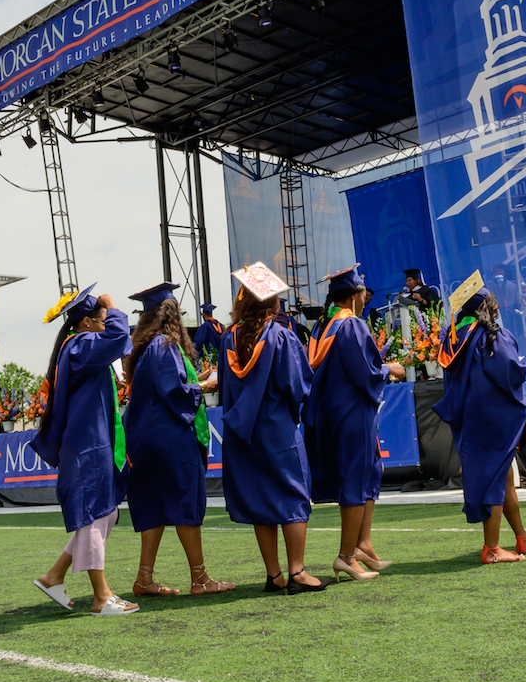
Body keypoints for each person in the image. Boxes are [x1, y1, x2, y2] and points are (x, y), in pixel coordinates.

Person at [30, 285, 138, 615]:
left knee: (104, 513)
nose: (107, 323)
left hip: (91, 442)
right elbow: (119, 338)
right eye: (102, 319)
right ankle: (102, 596)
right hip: (88, 445)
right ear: (89, 323)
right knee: (95, 515)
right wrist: (112, 306)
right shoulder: (80, 345)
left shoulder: (77, 347)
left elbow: (119, 342)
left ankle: (54, 576)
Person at [121, 283, 234, 598]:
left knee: (154, 505)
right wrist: (206, 386)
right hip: (170, 437)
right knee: (186, 500)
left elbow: (164, 386)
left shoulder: (145, 348)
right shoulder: (166, 345)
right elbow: (175, 392)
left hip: (145, 439)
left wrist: (195, 380)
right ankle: (200, 579)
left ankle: (144, 578)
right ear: (172, 316)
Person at [218, 262, 323, 593]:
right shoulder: (281, 337)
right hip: (277, 429)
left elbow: (223, 386)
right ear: (271, 302)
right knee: (292, 495)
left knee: (260, 498)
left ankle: (274, 575)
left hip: (240, 433)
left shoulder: (229, 340)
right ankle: (298, 572)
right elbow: (298, 387)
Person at [305, 265, 403, 581]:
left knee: (369, 471)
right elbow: (366, 373)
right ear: (354, 295)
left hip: (329, 413)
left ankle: (363, 545)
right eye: (363, 293)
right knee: (356, 480)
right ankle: (346, 556)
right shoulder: (351, 326)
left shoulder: (322, 326)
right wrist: (389, 368)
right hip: (352, 413)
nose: (365, 299)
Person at [433, 275, 526, 562]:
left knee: (501, 476)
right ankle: (492, 549)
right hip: (495, 418)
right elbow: (510, 372)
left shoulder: (453, 338)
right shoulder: (491, 336)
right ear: (487, 308)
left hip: (470, 419)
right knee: (494, 478)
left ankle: (521, 536)